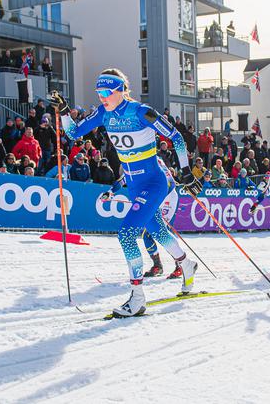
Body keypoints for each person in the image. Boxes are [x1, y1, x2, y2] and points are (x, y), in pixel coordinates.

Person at [51, 69, 202, 317]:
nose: (101, 98)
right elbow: (73, 133)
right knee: (157, 230)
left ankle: (137, 297)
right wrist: (65, 111)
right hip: (133, 185)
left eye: (106, 92)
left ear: (121, 90)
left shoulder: (141, 112)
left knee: (127, 233)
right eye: (98, 92)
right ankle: (187, 264)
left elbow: (176, 137)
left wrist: (185, 170)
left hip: (154, 183)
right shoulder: (103, 113)